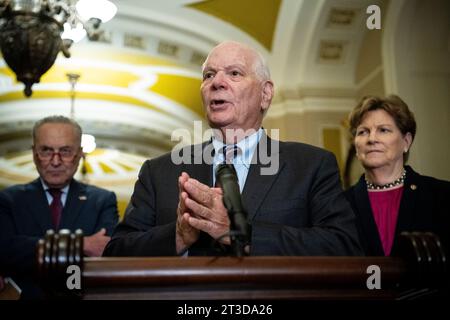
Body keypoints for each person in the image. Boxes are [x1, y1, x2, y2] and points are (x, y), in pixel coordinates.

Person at [104, 41, 361, 257]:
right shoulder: (158, 171)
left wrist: (244, 234)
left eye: (234, 73)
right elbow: (116, 252)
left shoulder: (311, 165)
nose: (217, 82)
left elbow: (343, 245)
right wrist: (178, 237)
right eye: (208, 75)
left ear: (265, 94)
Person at [0, 115, 119, 298]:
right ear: (34, 153)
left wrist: (28, 247)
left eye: (65, 151)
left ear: (79, 154)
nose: (55, 161)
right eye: (46, 150)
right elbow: (5, 250)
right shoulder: (9, 200)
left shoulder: (102, 201)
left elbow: (106, 254)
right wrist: (82, 244)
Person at [345, 95, 450, 256]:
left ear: (406, 141)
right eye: (363, 132)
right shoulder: (341, 204)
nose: (372, 139)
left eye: (383, 130)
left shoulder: (442, 195)